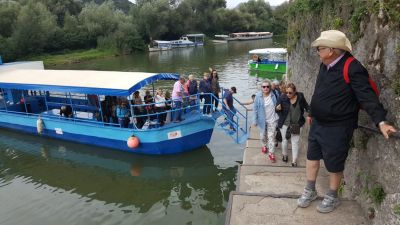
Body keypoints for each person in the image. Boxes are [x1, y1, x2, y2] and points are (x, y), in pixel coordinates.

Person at [297, 30, 397, 213]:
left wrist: (381, 121)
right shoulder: (324, 65)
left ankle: (332, 196)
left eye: (319, 49)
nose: (317, 52)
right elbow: (320, 91)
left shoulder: (352, 68)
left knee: (334, 163)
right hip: (318, 122)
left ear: (332, 50)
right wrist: (313, 111)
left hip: (338, 126)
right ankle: (310, 190)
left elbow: (367, 97)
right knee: (312, 157)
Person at [276, 83, 309, 167]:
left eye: (290, 93)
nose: (288, 94)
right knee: (285, 141)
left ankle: (294, 160)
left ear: (295, 91)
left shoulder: (300, 97)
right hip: (285, 124)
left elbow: (306, 107)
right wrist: (277, 108)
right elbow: (276, 110)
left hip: (296, 125)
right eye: (286, 92)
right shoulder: (282, 97)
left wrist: (311, 114)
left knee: (295, 142)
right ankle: (285, 154)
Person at [252, 80, 279, 162]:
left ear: (270, 87)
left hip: (272, 120)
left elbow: (278, 104)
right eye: (264, 87)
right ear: (261, 88)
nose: (266, 88)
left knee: (271, 137)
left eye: (267, 86)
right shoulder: (258, 96)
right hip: (262, 120)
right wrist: (254, 120)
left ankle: (271, 153)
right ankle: (264, 145)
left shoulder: (274, 95)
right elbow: (255, 109)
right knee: (262, 136)